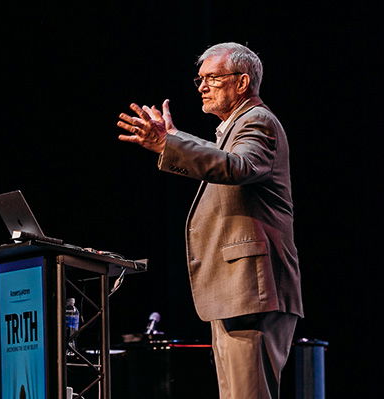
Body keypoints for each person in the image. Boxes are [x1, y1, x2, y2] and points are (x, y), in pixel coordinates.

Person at [116, 42, 303, 399]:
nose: (201, 87)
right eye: (199, 79)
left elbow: (237, 166)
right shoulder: (237, 127)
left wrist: (167, 144)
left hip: (252, 289)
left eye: (212, 78)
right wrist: (172, 139)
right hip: (238, 291)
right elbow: (223, 157)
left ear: (242, 81)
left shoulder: (258, 121)